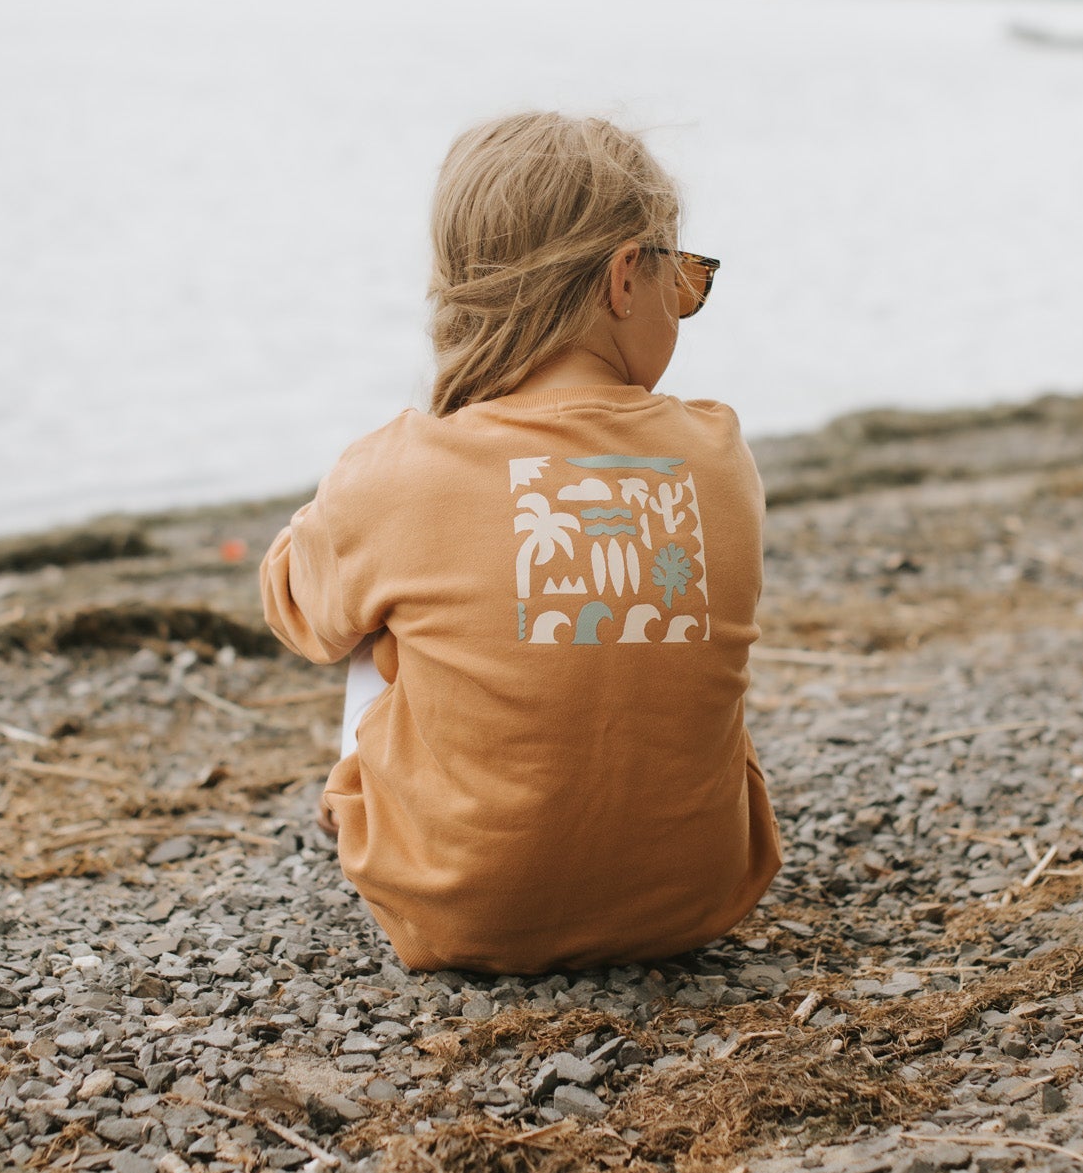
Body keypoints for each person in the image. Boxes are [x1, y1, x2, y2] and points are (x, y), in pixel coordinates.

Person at [260, 111, 781, 974]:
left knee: (372, 607)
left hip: (461, 909)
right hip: (697, 894)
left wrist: (339, 523)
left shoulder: (398, 469)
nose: (686, 302)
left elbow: (299, 616)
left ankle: (377, 808)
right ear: (624, 279)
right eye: (682, 276)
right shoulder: (721, 455)